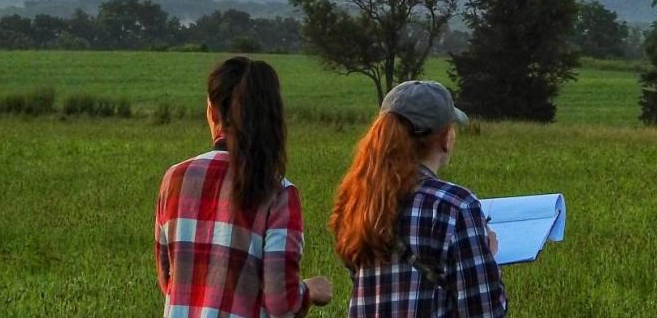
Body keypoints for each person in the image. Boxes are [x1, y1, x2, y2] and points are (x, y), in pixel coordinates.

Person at [155, 56, 333, 318]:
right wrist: (309, 290)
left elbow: (167, 278)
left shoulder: (174, 178)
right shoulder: (279, 193)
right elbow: (281, 303)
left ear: (213, 111)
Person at [331, 80, 506, 318]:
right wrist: (491, 257)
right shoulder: (457, 206)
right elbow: (484, 311)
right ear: (445, 138)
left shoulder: (356, 202)